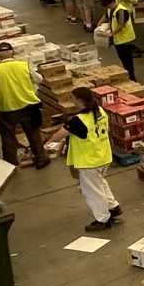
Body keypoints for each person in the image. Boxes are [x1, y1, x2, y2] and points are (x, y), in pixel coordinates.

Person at [47, 87, 122, 232]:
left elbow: (59, 135)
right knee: (100, 183)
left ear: (80, 100)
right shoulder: (99, 111)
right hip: (103, 155)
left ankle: (102, 219)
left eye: (73, 98)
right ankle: (113, 207)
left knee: (92, 191)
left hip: (89, 161)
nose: (72, 101)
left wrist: (48, 143)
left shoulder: (78, 120)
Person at [98, 0, 138, 82]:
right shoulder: (110, 9)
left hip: (125, 39)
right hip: (118, 39)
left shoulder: (121, 11)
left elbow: (121, 25)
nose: (108, 8)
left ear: (113, 2)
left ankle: (132, 78)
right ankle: (127, 76)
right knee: (122, 59)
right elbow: (106, 15)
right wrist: (100, 22)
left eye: (108, 6)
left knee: (128, 61)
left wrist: (112, 33)